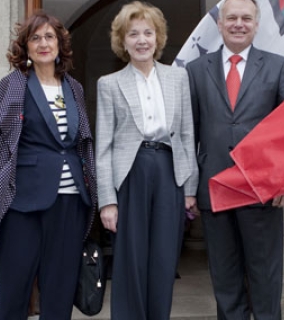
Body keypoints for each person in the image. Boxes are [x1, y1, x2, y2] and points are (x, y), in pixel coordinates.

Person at [0, 11, 97, 320]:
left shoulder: (75, 88)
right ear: (26, 47)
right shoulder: (14, 84)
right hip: (22, 203)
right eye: (35, 38)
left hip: (70, 203)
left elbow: (83, 143)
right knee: (14, 288)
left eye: (49, 37)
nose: (43, 44)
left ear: (59, 44)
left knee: (60, 290)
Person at [184, 0, 284, 319]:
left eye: (246, 18)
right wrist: (189, 189)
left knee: (265, 278)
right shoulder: (195, 70)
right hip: (214, 189)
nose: (238, 24)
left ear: (257, 24)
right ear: (219, 24)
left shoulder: (277, 66)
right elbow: (188, 133)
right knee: (225, 279)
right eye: (231, 18)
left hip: (262, 191)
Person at [95, 2, 198, 319]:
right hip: (131, 174)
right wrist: (107, 201)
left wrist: (189, 188)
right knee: (132, 259)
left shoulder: (177, 78)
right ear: (123, 42)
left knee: (165, 260)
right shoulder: (109, 84)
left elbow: (186, 135)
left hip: (169, 172)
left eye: (148, 33)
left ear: (158, 38)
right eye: (133, 34)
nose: (141, 40)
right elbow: (104, 147)